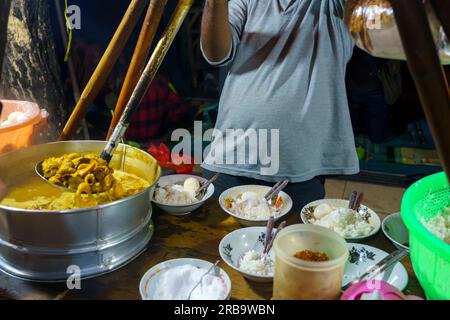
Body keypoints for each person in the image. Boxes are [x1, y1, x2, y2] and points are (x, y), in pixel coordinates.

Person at [200, 0, 358, 208]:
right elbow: (216, 54)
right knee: (215, 239)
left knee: (289, 240)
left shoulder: (334, 6)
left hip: (297, 170)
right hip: (230, 160)